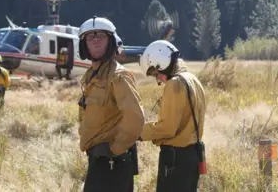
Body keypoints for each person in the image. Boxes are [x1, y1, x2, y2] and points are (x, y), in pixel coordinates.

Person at [77, 16, 145, 192]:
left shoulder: (118, 76)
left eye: (101, 35)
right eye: (90, 37)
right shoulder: (91, 76)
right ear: (84, 45)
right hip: (99, 160)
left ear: (112, 41)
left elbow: (135, 117)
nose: (96, 39)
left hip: (113, 162)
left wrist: (114, 149)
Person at [138, 40, 207, 192]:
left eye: (157, 73)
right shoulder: (193, 79)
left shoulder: (175, 83)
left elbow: (167, 128)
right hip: (193, 155)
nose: (159, 79)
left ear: (163, 62)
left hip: (176, 159)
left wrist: (138, 132)